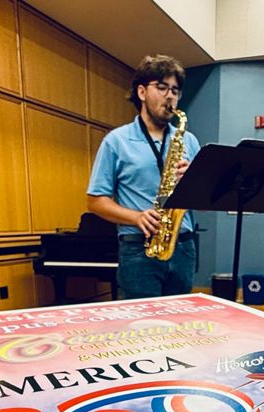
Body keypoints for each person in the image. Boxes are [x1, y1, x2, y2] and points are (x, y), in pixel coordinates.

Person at [86, 55, 201, 299]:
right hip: (138, 248)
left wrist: (193, 181)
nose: (170, 96)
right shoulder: (116, 141)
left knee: (181, 327)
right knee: (140, 328)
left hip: (183, 246)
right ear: (141, 92)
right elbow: (95, 201)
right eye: (161, 87)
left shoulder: (188, 140)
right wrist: (136, 217)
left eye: (175, 90)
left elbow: (205, 197)